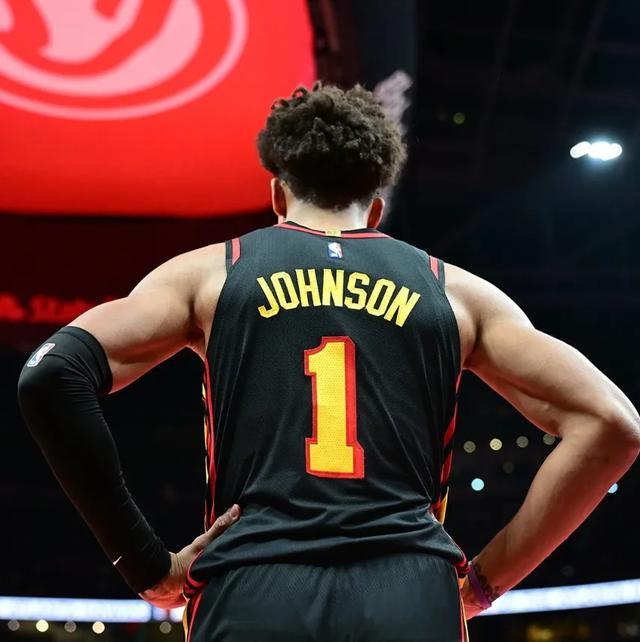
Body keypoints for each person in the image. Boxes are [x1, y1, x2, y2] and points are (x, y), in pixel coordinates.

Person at [18, 83, 640, 642]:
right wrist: (483, 582)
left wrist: (145, 563)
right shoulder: (456, 293)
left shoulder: (211, 274)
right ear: (376, 206)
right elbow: (612, 424)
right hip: (412, 593)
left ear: (277, 193)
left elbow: (51, 374)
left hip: (253, 588)